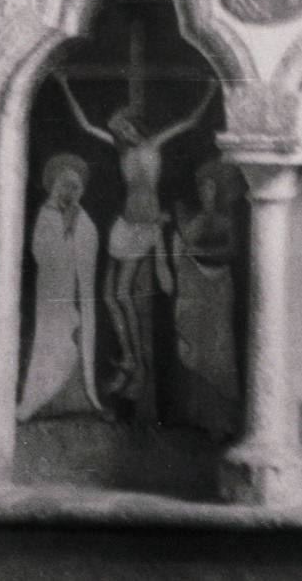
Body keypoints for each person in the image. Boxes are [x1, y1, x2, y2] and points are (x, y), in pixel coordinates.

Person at [54, 74, 217, 400]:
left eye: (125, 127)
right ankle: (129, 357)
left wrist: (211, 90)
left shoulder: (154, 144)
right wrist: (65, 86)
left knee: (121, 294)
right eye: (118, 130)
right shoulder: (119, 150)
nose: (122, 133)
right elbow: (85, 125)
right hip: (123, 224)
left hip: (144, 225)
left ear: (134, 125)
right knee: (109, 296)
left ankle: (134, 360)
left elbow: (190, 121)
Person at [17, 154, 103, 421]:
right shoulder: (47, 214)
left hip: (78, 292)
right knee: (54, 342)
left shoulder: (81, 216)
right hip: (54, 293)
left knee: (79, 340)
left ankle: (78, 401)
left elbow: (90, 241)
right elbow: (41, 251)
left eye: (75, 186)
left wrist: (75, 228)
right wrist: (65, 230)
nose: (70, 191)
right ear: (56, 186)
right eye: (66, 185)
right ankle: (42, 401)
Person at [169, 159, 241, 438]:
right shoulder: (193, 218)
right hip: (196, 285)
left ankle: (221, 421)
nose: (205, 192)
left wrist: (197, 250)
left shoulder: (226, 220)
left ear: (218, 191)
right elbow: (185, 245)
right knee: (195, 345)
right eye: (202, 187)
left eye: (211, 188)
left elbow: (230, 251)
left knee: (219, 348)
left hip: (219, 285)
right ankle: (196, 417)